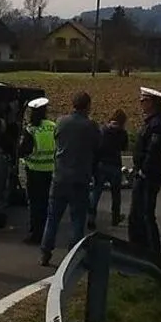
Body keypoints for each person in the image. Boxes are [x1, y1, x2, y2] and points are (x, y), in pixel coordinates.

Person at [39, 91, 101, 267]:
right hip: (80, 178)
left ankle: (45, 251)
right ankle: (72, 258)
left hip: (60, 176)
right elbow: (98, 146)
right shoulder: (91, 126)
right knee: (77, 220)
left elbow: (57, 140)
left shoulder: (61, 122)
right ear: (87, 106)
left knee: (53, 217)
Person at [128, 86, 161, 256]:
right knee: (136, 217)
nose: (141, 103)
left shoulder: (157, 125)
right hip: (143, 174)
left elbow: (154, 152)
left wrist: (143, 171)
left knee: (145, 217)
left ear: (153, 103)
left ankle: (153, 255)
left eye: (144, 100)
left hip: (148, 176)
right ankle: (138, 253)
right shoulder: (151, 122)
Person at [17, 96, 55, 245]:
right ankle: (46, 232)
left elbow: (23, 150)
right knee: (47, 203)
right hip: (50, 171)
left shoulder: (31, 130)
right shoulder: (53, 126)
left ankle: (35, 234)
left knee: (34, 204)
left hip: (34, 172)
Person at [88, 109, 129, 230]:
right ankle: (115, 217)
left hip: (101, 164)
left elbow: (96, 147)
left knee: (96, 192)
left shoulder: (103, 130)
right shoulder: (122, 132)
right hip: (115, 165)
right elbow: (124, 147)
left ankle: (91, 217)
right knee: (116, 194)